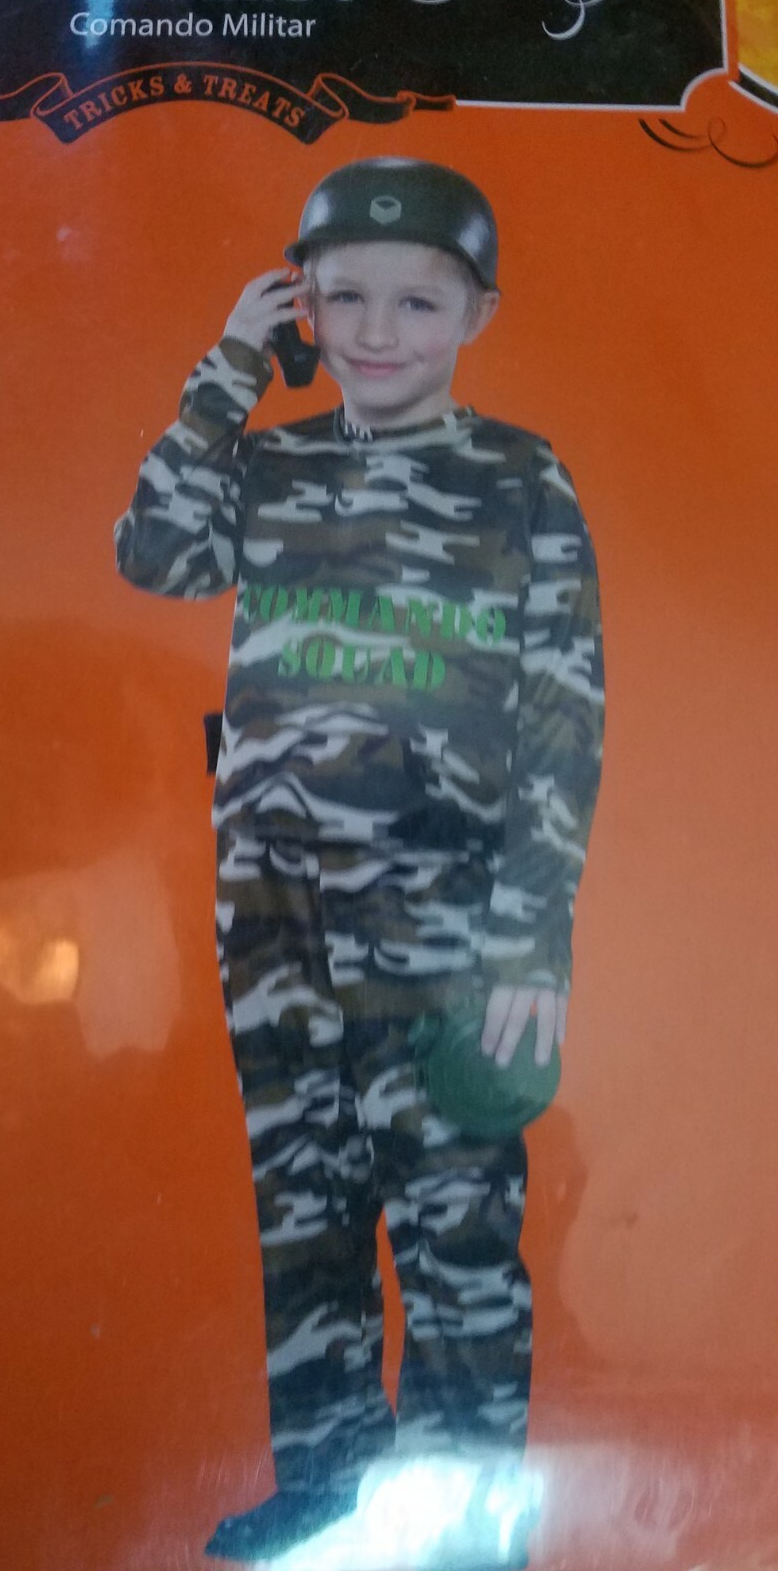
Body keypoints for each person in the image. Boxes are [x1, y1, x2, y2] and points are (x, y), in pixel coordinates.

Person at [115, 157, 604, 1569]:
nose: (377, 331)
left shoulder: (519, 479)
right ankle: (328, 1497)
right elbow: (153, 553)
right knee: (309, 1216)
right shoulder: (272, 468)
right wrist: (228, 368)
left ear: (478, 314)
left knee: (455, 1230)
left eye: (417, 302)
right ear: (302, 310)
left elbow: (562, 710)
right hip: (275, 917)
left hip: (447, 924)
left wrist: (533, 935)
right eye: (341, 301)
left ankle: (464, 1531)